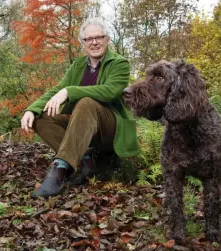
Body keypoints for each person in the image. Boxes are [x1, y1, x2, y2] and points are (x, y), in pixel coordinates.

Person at [21, 17, 140, 198]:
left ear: (107, 39)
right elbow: (56, 90)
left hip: (109, 127)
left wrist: (70, 91)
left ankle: (59, 170)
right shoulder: (77, 66)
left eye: (99, 37)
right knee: (41, 118)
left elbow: (110, 91)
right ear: (82, 43)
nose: (94, 42)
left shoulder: (119, 63)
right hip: (82, 126)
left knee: (86, 102)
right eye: (88, 39)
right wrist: (31, 109)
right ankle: (86, 159)